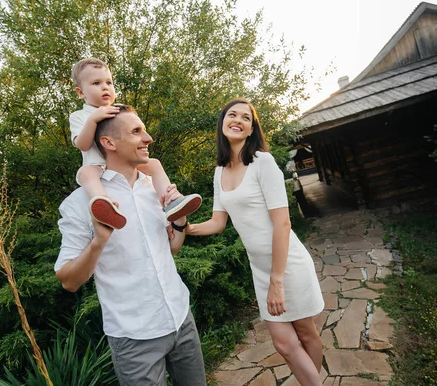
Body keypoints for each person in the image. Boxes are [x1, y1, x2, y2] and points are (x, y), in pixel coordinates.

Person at [55, 105, 206, 386]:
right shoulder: (81, 204)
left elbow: (172, 250)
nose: (148, 138)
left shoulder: (157, 189)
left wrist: (180, 223)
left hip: (180, 318)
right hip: (134, 337)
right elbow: (68, 281)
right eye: (137, 132)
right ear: (109, 143)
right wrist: (98, 242)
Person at [186, 98, 324, 385]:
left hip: (286, 266)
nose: (237, 120)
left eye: (245, 118)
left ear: (251, 129)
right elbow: (218, 222)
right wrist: (185, 227)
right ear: (222, 123)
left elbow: (282, 223)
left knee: (305, 333)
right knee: (284, 345)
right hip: (261, 270)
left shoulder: (263, 162)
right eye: (231, 115)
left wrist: (277, 280)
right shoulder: (219, 171)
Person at [69, 57, 201, 229]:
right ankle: (105, 205)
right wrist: (93, 120)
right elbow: (83, 145)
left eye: (109, 82)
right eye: (96, 83)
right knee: (85, 173)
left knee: (154, 164)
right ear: (81, 92)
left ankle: (171, 200)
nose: (105, 87)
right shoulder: (80, 116)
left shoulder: (119, 111)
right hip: (97, 166)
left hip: (126, 164)